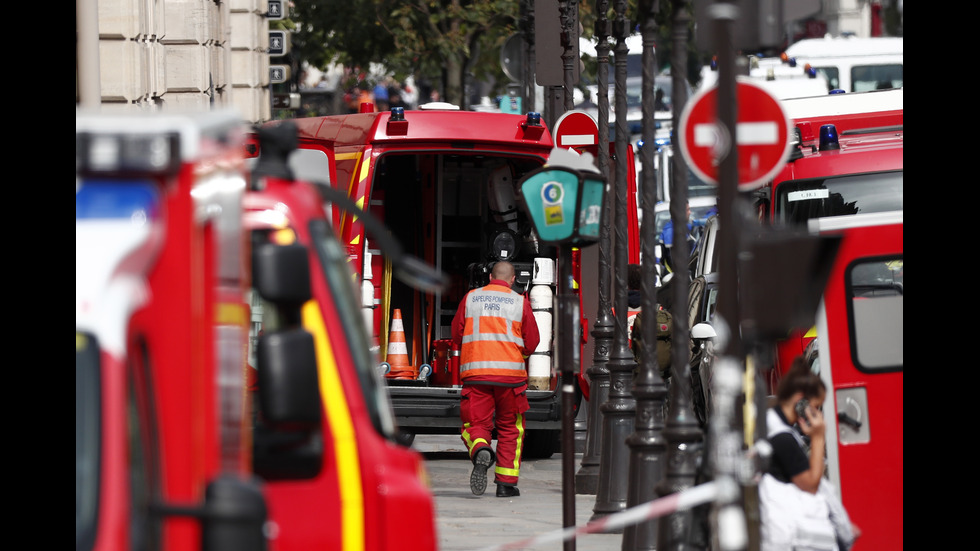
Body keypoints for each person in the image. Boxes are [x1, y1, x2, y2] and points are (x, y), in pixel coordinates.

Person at [451, 261, 540, 497]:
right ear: (512, 280)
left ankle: (481, 447)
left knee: (475, 424)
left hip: (476, 375)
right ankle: (506, 484)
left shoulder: (471, 298)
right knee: (511, 429)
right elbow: (532, 342)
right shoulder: (520, 302)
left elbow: (456, 334)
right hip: (511, 379)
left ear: (490, 276)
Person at [760, 357, 858, 551]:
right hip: (791, 534)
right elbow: (810, 484)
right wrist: (819, 436)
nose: (818, 413)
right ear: (800, 401)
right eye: (815, 406)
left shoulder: (773, 426)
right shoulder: (783, 438)